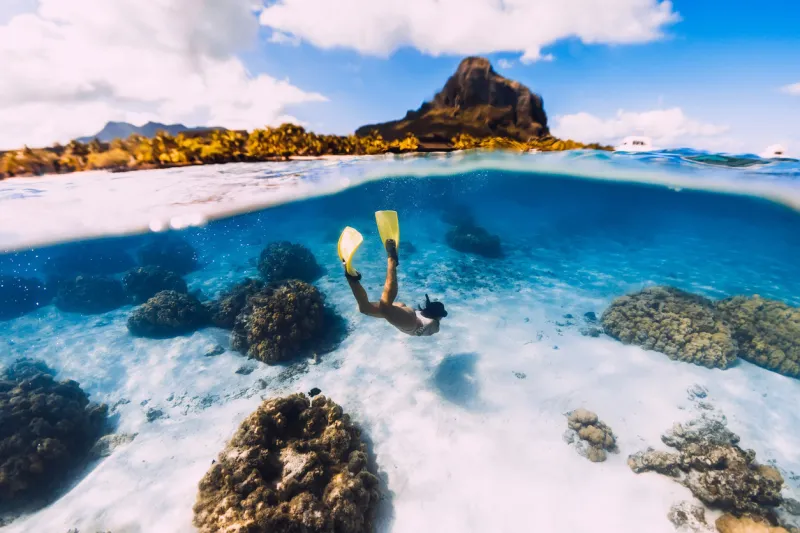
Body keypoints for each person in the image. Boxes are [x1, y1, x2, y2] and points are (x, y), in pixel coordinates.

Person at [345, 239, 447, 337]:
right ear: (438, 315)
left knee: (364, 308)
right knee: (385, 308)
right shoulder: (435, 326)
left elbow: (426, 321)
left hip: (408, 314)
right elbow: (429, 326)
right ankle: (392, 260)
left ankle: (352, 279)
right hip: (411, 322)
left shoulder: (429, 320)